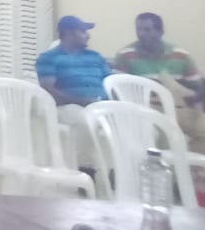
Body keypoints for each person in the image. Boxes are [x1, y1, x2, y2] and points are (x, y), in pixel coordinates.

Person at [113, 12, 205, 152]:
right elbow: (117, 91)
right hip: (145, 110)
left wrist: (189, 98)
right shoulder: (125, 55)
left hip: (178, 108)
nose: (141, 34)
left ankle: (190, 163)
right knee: (162, 137)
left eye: (147, 30)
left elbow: (198, 88)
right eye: (138, 29)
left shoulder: (180, 55)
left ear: (160, 32)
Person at [36, 15, 110, 171]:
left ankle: (116, 171)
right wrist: (82, 101)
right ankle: (86, 170)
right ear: (68, 33)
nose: (88, 36)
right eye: (83, 31)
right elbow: (49, 91)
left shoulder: (95, 57)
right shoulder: (49, 58)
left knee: (130, 121)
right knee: (85, 121)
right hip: (67, 106)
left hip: (100, 105)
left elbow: (110, 83)